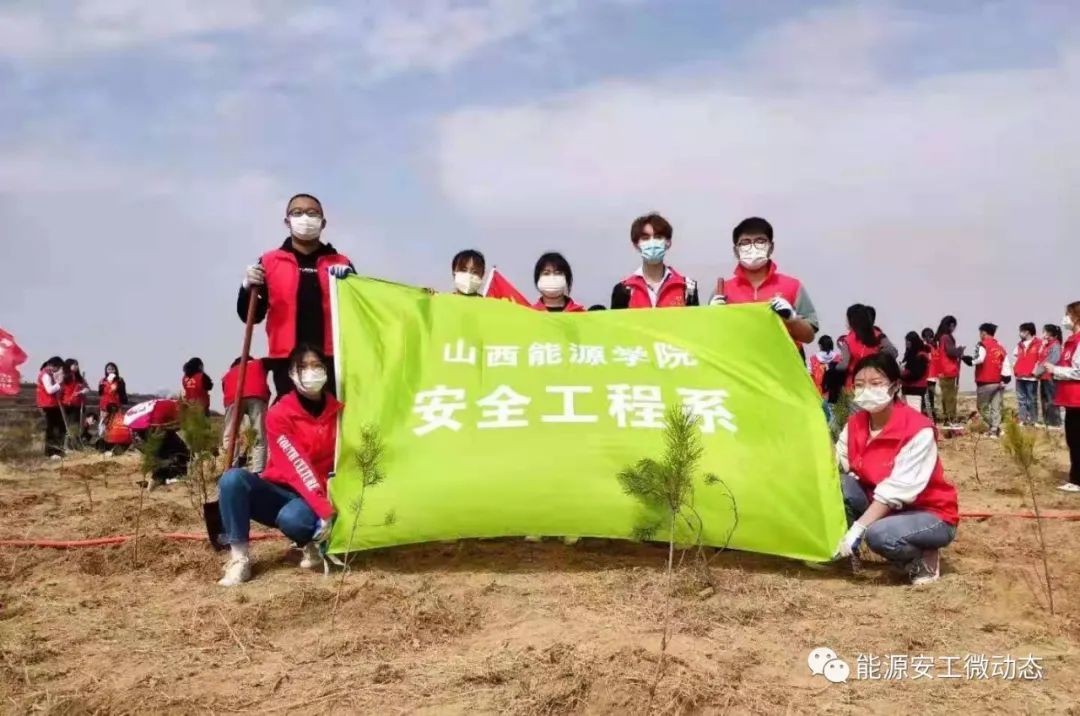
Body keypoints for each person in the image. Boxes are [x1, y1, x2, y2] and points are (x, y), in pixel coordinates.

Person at [217, 345, 339, 586]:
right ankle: (240, 559)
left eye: (317, 366)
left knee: (296, 519)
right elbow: (296, 464)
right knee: (232, 480)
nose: (311, 371)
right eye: (303, 367)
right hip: (281, 491)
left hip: (311, 497)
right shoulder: (280, 413)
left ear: (326, 372)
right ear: (292, 374)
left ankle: (310, 543)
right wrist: (323, 508)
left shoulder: (338, 413)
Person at [834, 353, 959, 585]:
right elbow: (834, 462)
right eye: (859, 385)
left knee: (880, 535)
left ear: (895, 386)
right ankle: (845, 555)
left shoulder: (917, 429)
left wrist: (858, 528)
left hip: (927, 513)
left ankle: (921, 557)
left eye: (876, 383)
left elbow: (896, 490)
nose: (867, 391)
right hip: (881, 506)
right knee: (839, 484)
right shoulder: (855, 425)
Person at [238, 193, 354, 399]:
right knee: (290, 410)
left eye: (312, 213)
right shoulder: (269, 262)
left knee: (332, 411)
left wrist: (352, 282)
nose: (305, 218)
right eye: (298, 213)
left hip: (331, 357)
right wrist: (246, 287)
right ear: (287, 221)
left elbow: (359, 313)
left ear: (323, 223)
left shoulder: (341, 263)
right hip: (286, 357)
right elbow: (251, 316)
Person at [710, 217, 818, 347]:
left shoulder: (793, 286)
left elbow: (809, 337)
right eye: (745, 242)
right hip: (736, 359)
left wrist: (792, 319)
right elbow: (709, 338)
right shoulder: (722, 291)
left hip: (780, 360)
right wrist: (711, 316)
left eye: (760, 241)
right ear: (736, 250)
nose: (753, 247)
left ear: (771, 247)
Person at [611, 212, 699, 309]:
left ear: (668, 243)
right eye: (645, 238)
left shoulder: (687, 287)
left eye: (658, 237)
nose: (652, 243)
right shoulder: (623, 290)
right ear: (636, 245)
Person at [1043, 302, 1080, 492]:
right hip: (1071, 399)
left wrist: (1055, 369)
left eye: (1068, 314)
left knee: (1077, 440)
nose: (1065, 318)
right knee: (1073, 439)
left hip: (1077, 398)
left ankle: (1077, 480)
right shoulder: (1071, 341)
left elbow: (1078, 371)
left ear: (1076, 317)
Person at [221, 355, 271, 473]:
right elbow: (267, 392)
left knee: (230, 436)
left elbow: (225, 390)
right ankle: (258, 470)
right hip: (257, 396)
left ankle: (230, 468)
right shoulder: (258, 364)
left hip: (232, 398)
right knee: (259, 435)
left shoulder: (228, 374)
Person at [965, 323, 1011, 438]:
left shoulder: (981, 344)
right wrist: (1005, 379)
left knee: (982, 407)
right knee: (996, 408)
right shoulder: (1000, 346)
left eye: (980, 333)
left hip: (985, 381)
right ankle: (995, 430)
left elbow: (979, 359)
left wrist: (968, 360)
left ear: (983, 333)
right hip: (998, 382)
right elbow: (1006, 364)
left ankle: (995, 428)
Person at [837, 304, 897, 387]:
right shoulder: (879, 336)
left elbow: (844, 365)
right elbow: (892, 352)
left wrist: (833, 368)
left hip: (854, 384)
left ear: (852, 320)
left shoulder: (848, 340)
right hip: (876, 382)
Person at [934, 316, 965, 428]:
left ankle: (948, 419)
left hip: (943, 371)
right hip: (948, 371)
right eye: (953, 326)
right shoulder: (946, 337)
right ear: (950, 325)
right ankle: (951, 419)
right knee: (950, 397)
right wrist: (960, 350)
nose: (954, 328)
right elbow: (951, 352)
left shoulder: (941, 338)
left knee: (946, 397)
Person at [1013, 323, 1043, 426]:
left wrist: (1036, 371)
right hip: (1020, 376)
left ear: (1027, 332)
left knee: (1032, 399)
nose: (1020, 333)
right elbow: (1015, 358)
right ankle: (1023, 419)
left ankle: (1033, 420)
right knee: (1021, 400)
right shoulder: (1019, 345)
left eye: (1021, 331)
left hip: (1031, 377)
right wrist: (1015, 369)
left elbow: (1040, 359)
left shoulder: (1038, 343)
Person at [1035, 324, 1063, 428]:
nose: (1043, 334)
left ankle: (1055, 423)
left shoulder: (1055, 345)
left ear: (1050, 333)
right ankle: (1047, 421)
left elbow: (1053, 360)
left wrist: (1039, 371)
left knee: (1052, 400)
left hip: (1051, 377)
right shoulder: (1047, 345)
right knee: (1044, 400)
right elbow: (1041, 359)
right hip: (1044, 377)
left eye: (1044, 331)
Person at [36, 357, 65, 459]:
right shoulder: (45, 375)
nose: (58, 370)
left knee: (59, 428)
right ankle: (50, 452)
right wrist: (59, 383)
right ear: (52, 365)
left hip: (52, 404)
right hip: (48, 405)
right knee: (51, 429)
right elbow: (49, 390)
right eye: (58, 367)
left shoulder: (49, 374)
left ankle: (57, 450)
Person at [808, 335, 842, 418]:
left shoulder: (812, 359)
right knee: (834, 418)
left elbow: (809, 376)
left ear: (820, 346)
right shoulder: (838, 358)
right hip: (834, 393)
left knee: (821, 417)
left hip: (818, 393)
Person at [60, 358, 89, 445]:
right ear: (69, 365)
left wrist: (84, 390)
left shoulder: (79, 378)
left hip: (77, 404)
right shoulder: (65, 377)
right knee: (69, 424)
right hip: (68, 403)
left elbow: (87, 388)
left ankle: (72, 444)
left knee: (75, 424)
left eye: (77, 365)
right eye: (74, 364)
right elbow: (61, 389)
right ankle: (68, 444)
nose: (76, 366)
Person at [900, 332, 930, 412]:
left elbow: (917, 374)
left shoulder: (921, 355)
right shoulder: (909, 353)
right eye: (906, 342)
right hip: (907, 387)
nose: (906, 344)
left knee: (915, 410)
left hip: (917, 388)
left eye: (908, 342)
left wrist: (902, 376)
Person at [97, 362, 128, 433]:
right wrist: (107, 383)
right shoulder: (103, 380)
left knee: (114, 420)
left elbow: (122, 391)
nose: (110, 371)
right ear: (106, 370)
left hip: (115, 403)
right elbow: (100, 393)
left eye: (112, 369)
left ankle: (113, 434)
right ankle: (102, 434)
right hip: (105, 403)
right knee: (104, 420)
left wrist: (116, 387)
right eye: (108, 369)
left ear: (115, 370)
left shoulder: (119, 380)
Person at [921, 328, 940, 422]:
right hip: (933, 377)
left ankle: (927, 419)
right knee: (930, 400)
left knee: (926, 400)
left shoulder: (926, 347)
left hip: (927, 376)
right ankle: (931, 418)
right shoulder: (936, 347)